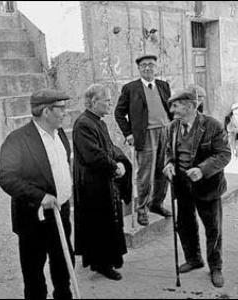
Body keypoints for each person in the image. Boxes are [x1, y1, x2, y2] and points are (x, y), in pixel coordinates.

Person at [0, 88, 75, 299]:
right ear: (46, 111)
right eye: (60, 108)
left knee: (63, 267)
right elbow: (6, 178)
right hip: (34, 219)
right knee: (34, 276)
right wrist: (41, 197)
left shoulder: (59, 134)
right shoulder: (18, 139)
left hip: (61, 213)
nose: (65, 112)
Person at [163, 89, 231, 288]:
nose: (172, 109)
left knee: (213, 228)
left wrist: (202, 170)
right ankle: (194, 258)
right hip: (182, 185)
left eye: (176, 105)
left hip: (207, 185)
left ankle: (216, 266)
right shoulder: (172, 127)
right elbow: (168, 151)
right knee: (184, 224)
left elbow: (224, 154)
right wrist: (168, 164)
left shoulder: (213, 126)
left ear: (191, 106)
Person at [73, 84, 132, 281]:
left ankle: (103, 260)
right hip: (93, 185)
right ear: (92, 102)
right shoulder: (83, 124)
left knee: (105, 222)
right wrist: (115, 167)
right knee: (99, 224)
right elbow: (94, 155)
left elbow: (109, 147)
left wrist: (121, 160)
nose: (110, 103)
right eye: (106, 100)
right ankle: (102, 264)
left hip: (103, 181)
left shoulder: (98, 122)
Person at [114, 54, 172, 226]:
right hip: (145, 135)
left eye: (151, 65)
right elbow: (119, 113)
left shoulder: (163, 85)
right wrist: (128, 134)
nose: (148, 68)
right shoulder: (130, 88)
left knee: (164, 171)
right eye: (144, 65)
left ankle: (157, 204)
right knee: (145, 174)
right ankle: (142, 209)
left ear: (156, 67)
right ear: (139, 69)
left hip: (165, 132)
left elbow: (170, 109)